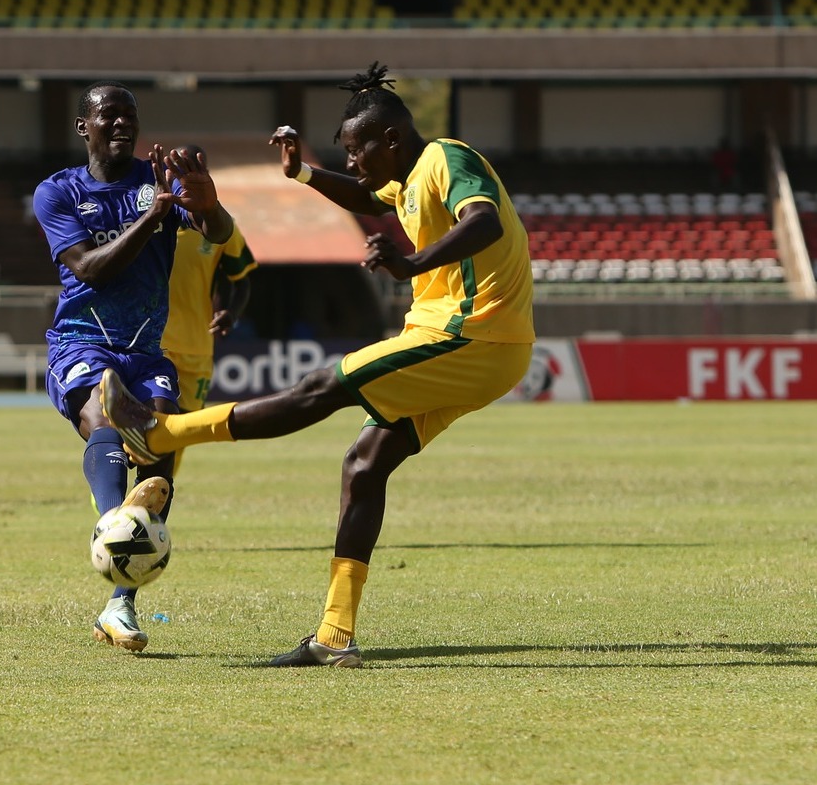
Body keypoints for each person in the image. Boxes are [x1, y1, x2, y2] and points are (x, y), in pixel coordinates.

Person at [102, 62, 535, 667]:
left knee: (320, 386)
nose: (354, 162)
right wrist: (303, 173)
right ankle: (335, 636)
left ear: (392, 140)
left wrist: (412, 266)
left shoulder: (445, 158)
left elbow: (482, 220)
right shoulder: (406, 180)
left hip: (472, 332)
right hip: (475, 343)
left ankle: (162, 431)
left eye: (358, 150)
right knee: (363, 465)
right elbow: (365, 195)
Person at [33, 81, 234, 653]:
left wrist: (205, 204)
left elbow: (220, 235)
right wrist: (156, 217)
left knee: (159, 448)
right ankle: (113, 526)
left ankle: (119, 605)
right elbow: (92, 270)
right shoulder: (58, 192)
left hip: (146, 350)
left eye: (131, 116)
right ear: (83, 127)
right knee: (104, 418)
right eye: (109, 115)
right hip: (80, 342)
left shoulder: (160, 180)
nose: (122, 124)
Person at [161, 143, 257, 476]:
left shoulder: (219, 225)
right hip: (149, 341)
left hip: (196, 347)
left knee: (183, 429)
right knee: (139, 422)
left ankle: (155, 499)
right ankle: (112, 491)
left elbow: (242, 278)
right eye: (175, 165)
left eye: (190, 165)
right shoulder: (149, 216)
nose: (181, 172)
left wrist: (231, 311)